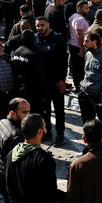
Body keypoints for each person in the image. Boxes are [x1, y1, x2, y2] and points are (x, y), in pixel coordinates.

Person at [78, 32, 102, 149]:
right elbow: (87, 73)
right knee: (88, 124)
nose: (84, 44)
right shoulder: (88, 54)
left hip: (99, 97)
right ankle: (90, 147)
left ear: (94, 42)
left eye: (86, 41)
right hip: (86, 94)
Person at [34, 15, 68, 144]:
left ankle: (60, 134)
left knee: (59, 110)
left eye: (42, 25)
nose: (40, 28)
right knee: (45, 110)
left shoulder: (57, 38)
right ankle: (47, 132)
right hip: (42, 82)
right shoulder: (35, 38)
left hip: (56, 80)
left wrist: (62, 79)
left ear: (48, 25)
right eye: (38, 26)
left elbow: (64, 60)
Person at [11, 29, 46, 109]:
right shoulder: (34, 54)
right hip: (33, 90)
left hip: (19, 88)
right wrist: (44, 93)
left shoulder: (17, 51)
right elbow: (41, 75)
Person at [68, 0, 90, 89]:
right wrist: (82, 48)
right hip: (78, 46)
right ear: (79, 8)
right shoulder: (79, 19)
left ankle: (78, 87)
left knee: (76, 68)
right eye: (86, 8)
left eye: (88, 8)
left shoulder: (73, 16)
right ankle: (80, 88)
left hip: (74, 45)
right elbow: (79, 33)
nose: (88, 10)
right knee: (80, 70)